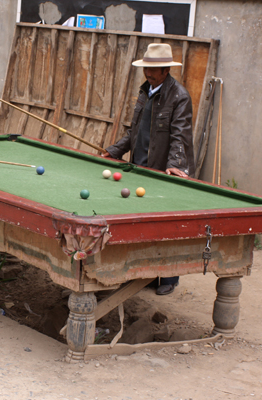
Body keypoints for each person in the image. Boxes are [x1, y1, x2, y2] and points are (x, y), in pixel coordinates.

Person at [102, 43, 195, 295]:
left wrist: (175, 165)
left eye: (153, 69)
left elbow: (180, 136)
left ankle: (169, 278)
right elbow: (134, 131)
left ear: (166, 70)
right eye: (147, 68)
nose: (148, 73)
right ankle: (142, 273)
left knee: (167, 225)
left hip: (164, 172)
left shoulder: (179, 96)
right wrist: (115, 150)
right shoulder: (145, 91)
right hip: (140, 166)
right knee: (140, 223)